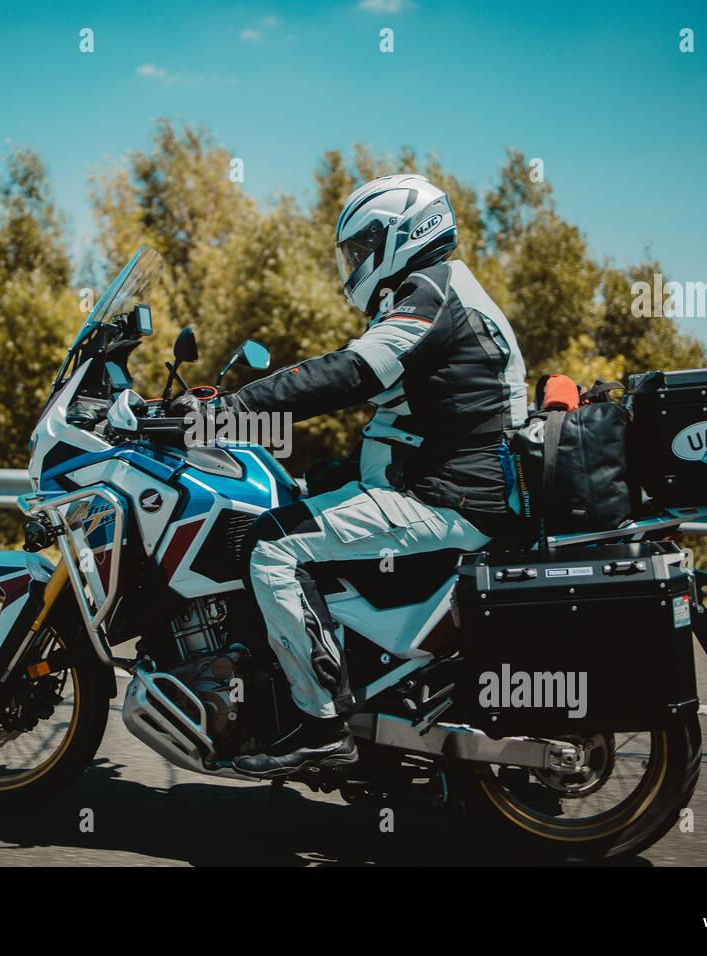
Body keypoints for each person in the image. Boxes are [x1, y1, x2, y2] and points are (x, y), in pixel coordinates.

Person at [187, 173, 529, 776]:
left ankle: (319, 725)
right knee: (303, 491)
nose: (355, 263)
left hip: (450, 498)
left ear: (399, 233)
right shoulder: (440, 290)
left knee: (273, 547)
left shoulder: (432, 293)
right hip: (443, 485)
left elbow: (351, 372)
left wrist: (228, 411)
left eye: (360, 247)